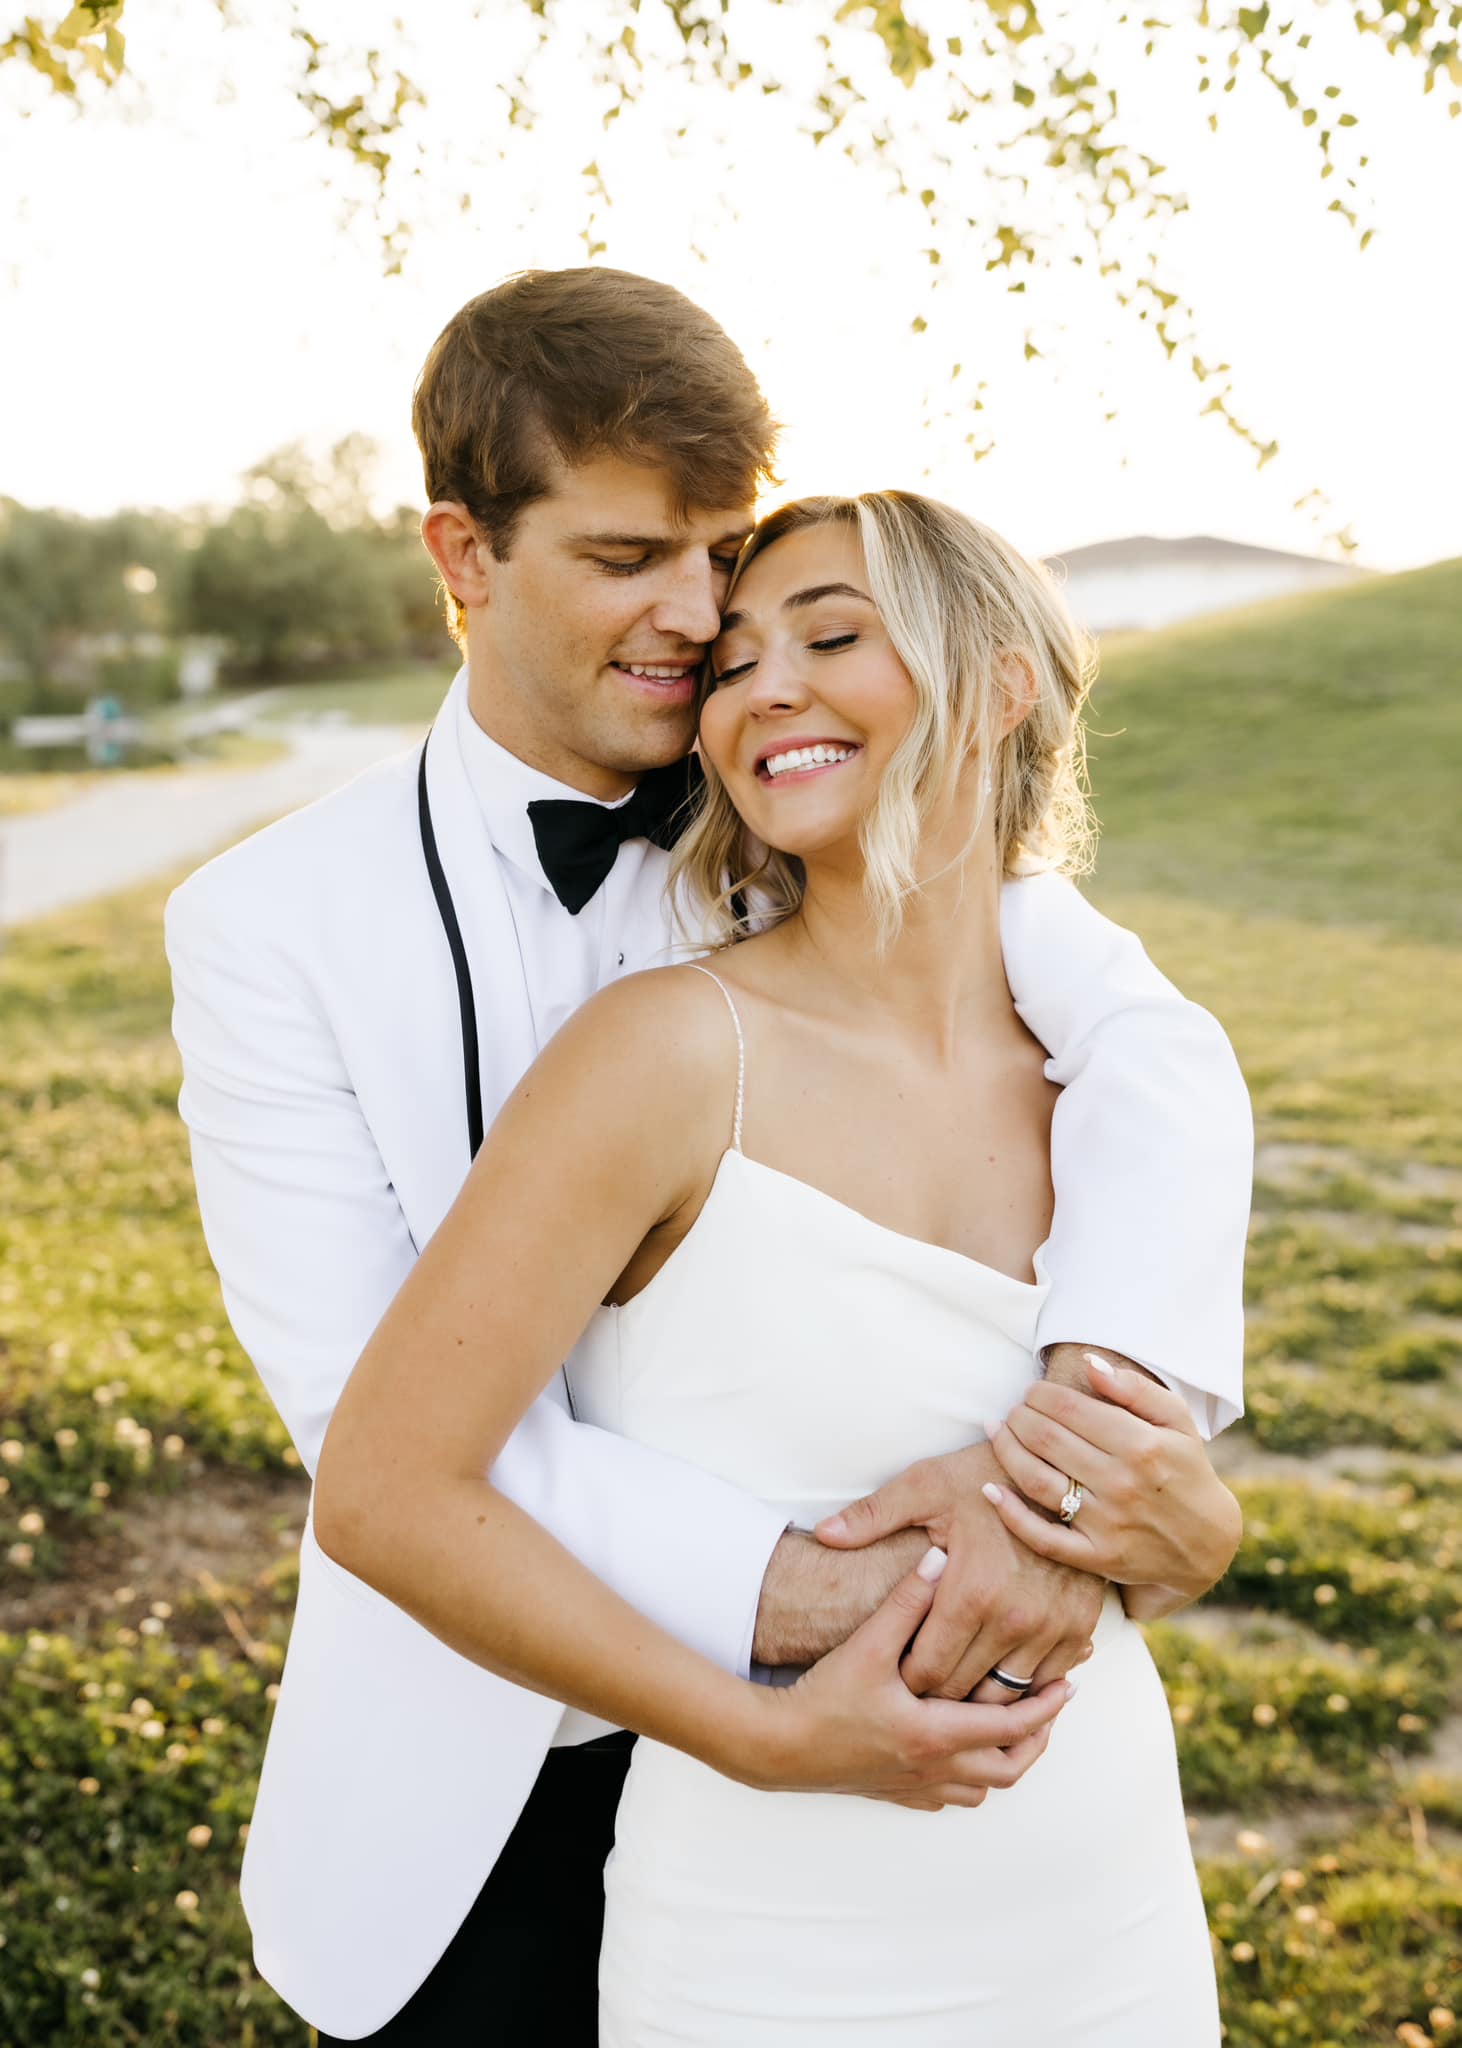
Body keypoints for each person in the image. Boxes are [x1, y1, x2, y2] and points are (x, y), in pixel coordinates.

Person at [165, 269, 1250, 2043]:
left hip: (951, 1798)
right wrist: (862, 1597)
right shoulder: (269, 929)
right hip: (483, 1775)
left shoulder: (820, 801)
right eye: (623, 561)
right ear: (461, 556)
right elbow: (367, 1425)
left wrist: (1131, 1459)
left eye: (719, 555)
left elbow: (1156, 1065)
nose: (694, 618)